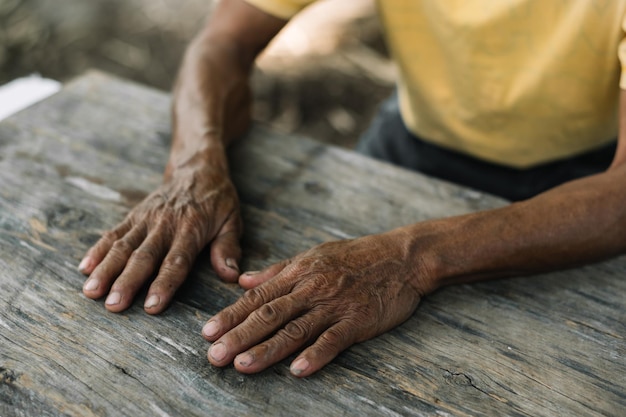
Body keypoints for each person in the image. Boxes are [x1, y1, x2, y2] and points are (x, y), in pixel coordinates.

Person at [78, 0, 626, 378]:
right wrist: (193, 167)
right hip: (416, 133)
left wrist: (412, 258)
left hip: (586, 174)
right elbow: (221, 41)